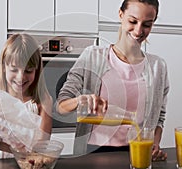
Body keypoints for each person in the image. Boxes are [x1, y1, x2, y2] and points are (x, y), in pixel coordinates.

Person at [57, 0, 168, 161]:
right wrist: (80, 100)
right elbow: (61, 106)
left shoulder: (158, 67)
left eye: (147, 25)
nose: (138, 31)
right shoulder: (93, 57)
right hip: (93, 153)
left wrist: (155, 144)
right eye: (132, 21)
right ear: (121, 14)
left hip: (138, 152)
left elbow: (159, 117)